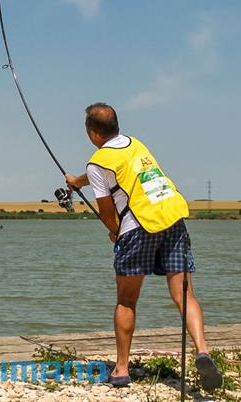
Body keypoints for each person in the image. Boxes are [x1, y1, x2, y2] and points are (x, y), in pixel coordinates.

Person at [64, 102, 222, 391]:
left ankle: (122, 369)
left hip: (138, 226)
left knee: (126, 300)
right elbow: (107, 172)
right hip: (172, 217)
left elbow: (107, 209)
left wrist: (115, 233)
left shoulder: (98, 160)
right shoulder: (135, 144)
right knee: (184, 294)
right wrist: (78, 181)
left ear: (94, 133)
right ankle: (203, 351)